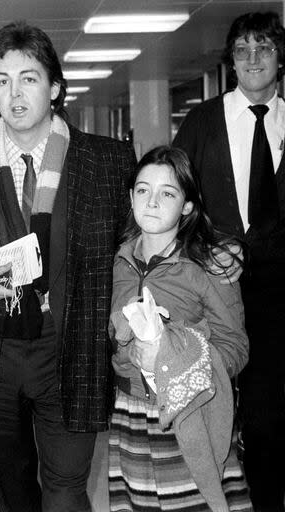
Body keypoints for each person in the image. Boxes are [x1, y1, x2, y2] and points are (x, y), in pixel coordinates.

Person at [0, 21, 136, 511]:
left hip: (72, 346)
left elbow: (135, 242)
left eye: (28, 78)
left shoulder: (107, 162)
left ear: (55, 89)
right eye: (2, 80)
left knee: (66, 493)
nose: (15, 92)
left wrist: (210, 252)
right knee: (13, 492)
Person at [173, 11, 285, 510]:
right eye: (243, 49)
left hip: (281, 297)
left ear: (280, 57)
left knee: (270, 414)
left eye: (264, 47)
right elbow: (174, 199)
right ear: (231, 62)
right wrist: (212, 244)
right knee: (232, 412)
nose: (254, 58)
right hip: (219, 293)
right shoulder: (201, 123)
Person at [108, 146, 251, 511]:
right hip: (131, 411)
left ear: (187, 205)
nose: (152, 202)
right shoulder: (119, 259)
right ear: (130, 196)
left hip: (192, 412)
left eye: (167, 193)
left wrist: (175, 354)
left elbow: (235, 347)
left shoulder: (210, 263)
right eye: (143, 190)